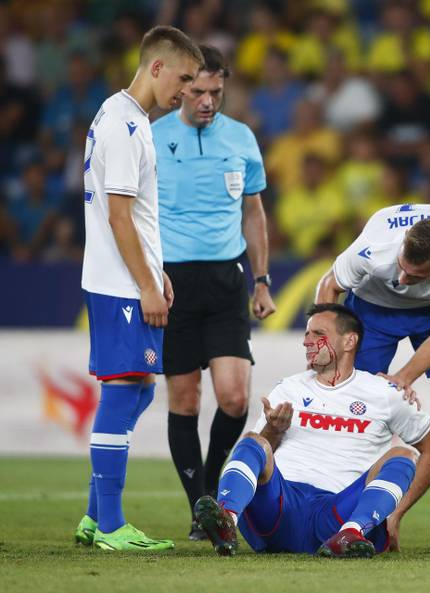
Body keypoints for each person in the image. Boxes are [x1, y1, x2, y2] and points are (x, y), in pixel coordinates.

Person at [74, 25, 202, 551]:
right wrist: (147, 283)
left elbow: (130, 216)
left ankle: (93, 516)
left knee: (141, 387)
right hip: (120, 283)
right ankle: (110, 526)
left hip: (125, 275)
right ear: (156, 67)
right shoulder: (125, 125)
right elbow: (119, 215)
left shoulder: (123, 116)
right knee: (126, 389)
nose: (188, 91)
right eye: (185, 79)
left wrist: (154, 269)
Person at [315, 205, 430, 553]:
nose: (403, 280)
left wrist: (403, 378)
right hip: (372, 310)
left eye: (415, 277)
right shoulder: (373, 249)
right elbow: (329, 287)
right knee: (354, 405)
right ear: (403, 244)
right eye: (402, 267)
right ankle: (347, 519)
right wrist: (327, 353)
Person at [194, 304, 430, 557]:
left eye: (318, 333)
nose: (307, 341)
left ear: (349, 341)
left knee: (404, 454)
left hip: (337, 513)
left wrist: (395, 513)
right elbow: (261, 458)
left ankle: (352, 533)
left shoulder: (384, 393)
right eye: (306, 334)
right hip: (280, 510)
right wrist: (274, 430)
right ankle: (226, 519)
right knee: (253, 441)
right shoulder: (288, 388)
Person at [151, 44, 276, 540]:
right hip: (172, 282)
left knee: (234, 397)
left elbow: (253, 212)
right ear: (181, 87)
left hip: (226, 280)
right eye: (199, 91)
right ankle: (200, 508)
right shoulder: (153, 138)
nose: (207, 101)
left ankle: (211, 486)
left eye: (216, 92)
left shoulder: (241, 137)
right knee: (185, 400)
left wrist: (261, 280)